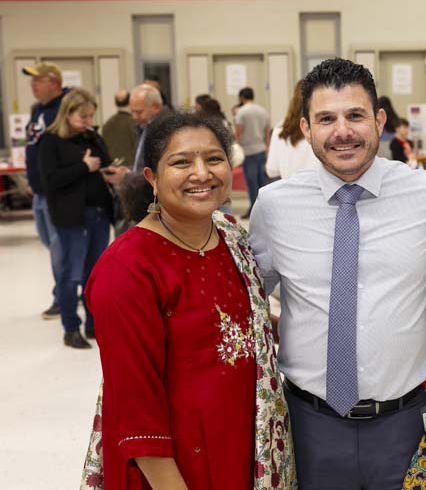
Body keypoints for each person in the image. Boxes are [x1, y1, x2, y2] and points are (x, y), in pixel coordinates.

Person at [249, 57, 426, 489]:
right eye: (326, 118)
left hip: (406, 424)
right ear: (306, 128)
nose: (342, 131)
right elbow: (249, 302)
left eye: (355, 115)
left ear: (379, 120)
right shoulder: (274, 207)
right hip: (309, 424)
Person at [79, 110, 295, 489]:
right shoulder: (128, 267)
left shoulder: (230, 235)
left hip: (242, 444)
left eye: (214, 159)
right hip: (171, 464)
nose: (201, 173)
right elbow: (135, 404)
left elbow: (236, 323)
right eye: (181, 162)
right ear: (152, 179)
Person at [37, 88, 126, 348]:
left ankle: (92, 324)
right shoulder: (50, 141)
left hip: (98, 213)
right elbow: (50, 181)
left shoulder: (92, 136)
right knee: (71, 274)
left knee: (94, 275)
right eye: (83, 116)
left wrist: (112, 171)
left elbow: (105, 162)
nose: (87, 121)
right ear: (67, 113)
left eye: (90, 116)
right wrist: (83, 167)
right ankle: (70, 327)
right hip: (70, 217)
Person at [22, 62, 70, 319]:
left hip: (56, 193)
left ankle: (62, 297)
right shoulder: (38, 110)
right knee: (49, 243)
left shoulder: (63, 109)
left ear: (53, 82)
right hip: (39, 191)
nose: (32, 85)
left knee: (59, 247)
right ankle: (67, 290)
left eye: (37, 80)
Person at [265, 81, 318, 180]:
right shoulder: (320, 127)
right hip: (319, 191)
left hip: (289, 191)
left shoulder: (280, 129)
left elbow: (271, 171)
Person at [234, 86, 271, 218]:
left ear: (242, 98)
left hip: (248, 151)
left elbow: (238, 132)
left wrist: (236, 146)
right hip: (261, 149)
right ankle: (265, 210)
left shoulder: (241, 112)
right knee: (263, 182)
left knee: (251, 182)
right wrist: (266, 147)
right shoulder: (263, 111)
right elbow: (267, 132)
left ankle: (254, 211)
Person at [129, 83, 166, 174]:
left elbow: (158, 172)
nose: (134, 117)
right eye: (132, 112)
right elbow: (141, 164)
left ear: (156, 107)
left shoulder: (165, 129)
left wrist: (126, 177)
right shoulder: (144, 126)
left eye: (139, 112)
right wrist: (129, 171)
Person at [101, 89, 138, 167]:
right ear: (131, 102)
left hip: (112, 169)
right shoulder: (135, 123)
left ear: (115, 103)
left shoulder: (107, 124)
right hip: (130, 170)